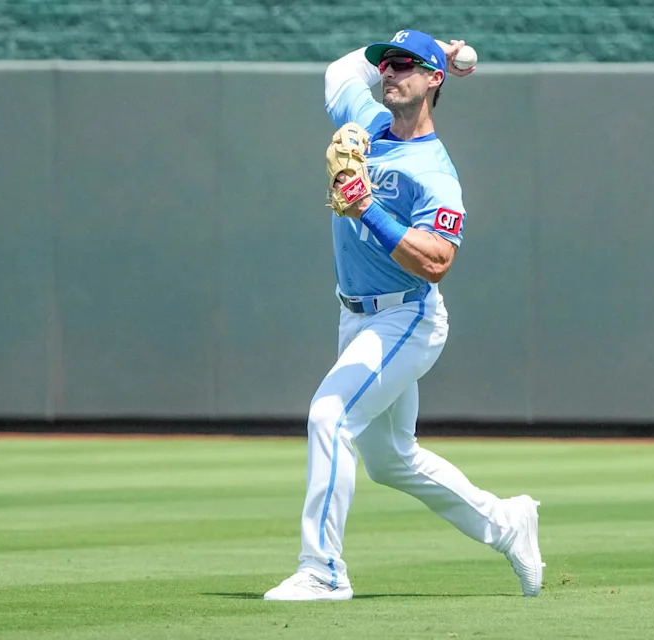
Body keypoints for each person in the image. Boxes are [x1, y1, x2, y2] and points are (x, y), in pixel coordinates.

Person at [263, 29, 543, 602]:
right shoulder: (366, 121)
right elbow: (339, 72)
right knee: (392, 461)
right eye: (386, 65)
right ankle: (508, 523)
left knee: (330, 416)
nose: (389, 73)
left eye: (406, 65)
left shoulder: (434, 171)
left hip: (406, 317)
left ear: (434, 80)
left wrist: (366, 206)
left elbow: (437, 262)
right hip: (355, 315)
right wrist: (432, 41)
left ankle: (323, 571)